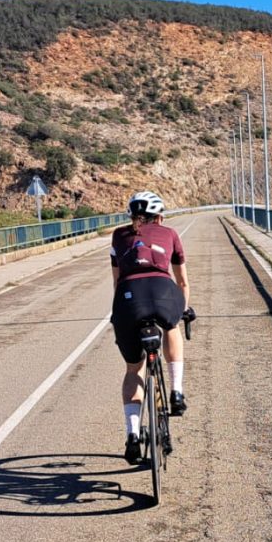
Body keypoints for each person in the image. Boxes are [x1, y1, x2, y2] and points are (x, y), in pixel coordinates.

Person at [110, 190, 191, 464]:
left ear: (132, 216)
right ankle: (177, 391)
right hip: (163, 292)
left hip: (129, 298)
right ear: (160, 216)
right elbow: (182, 282)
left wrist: (122, 313)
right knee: (172, 326)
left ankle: (133, 434)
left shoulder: (118, 236)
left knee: (134, 369)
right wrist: (184, 309)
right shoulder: (170, 233)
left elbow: (116, 282)